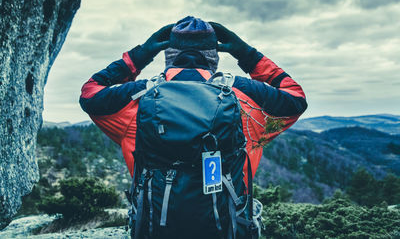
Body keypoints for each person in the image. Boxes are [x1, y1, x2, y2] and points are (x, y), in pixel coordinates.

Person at [79, 16, 307, 238]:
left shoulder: (139, 97)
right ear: (213, 58)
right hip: (227, 228)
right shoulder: (243, 97)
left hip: (155, 226)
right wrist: (247, 54)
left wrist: (139, 56)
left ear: (169, 56)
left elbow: (90, 93)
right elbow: (295, 98)